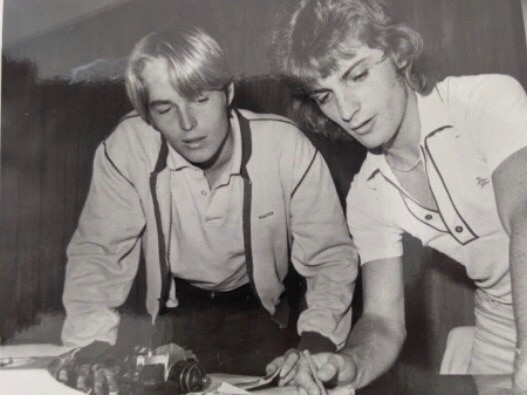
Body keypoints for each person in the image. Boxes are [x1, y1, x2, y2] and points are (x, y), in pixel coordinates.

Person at [61, 25, 357, 375]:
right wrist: (91, 344)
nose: (188, 124)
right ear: (147, 116)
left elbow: (330, 258)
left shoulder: (286, 147)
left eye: (200, 99)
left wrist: (317, 342)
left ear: (228, 92)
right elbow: (99, 254)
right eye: (165, 109)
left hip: (259, 310)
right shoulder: (127, 148)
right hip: (177, 314)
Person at [270, 0, 527, 392]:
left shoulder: (486, 100)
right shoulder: (367, 195)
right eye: (325, 96)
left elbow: (524, 215)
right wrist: (350, 364)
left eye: (356, 76)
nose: (347, 109)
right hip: (498, 315)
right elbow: (384, 321)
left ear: (399, 53)